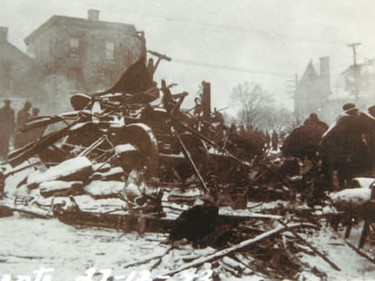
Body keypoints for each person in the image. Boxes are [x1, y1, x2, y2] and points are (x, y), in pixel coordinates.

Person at [320, 103, 373, 189]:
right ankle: (357, 188)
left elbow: (327, 135)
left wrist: (323, 149)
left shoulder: (342, 118)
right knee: (359, 169)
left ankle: (344, 188)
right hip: (359, 146)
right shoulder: (363, 116)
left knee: (343, 169)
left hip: (343, 148)